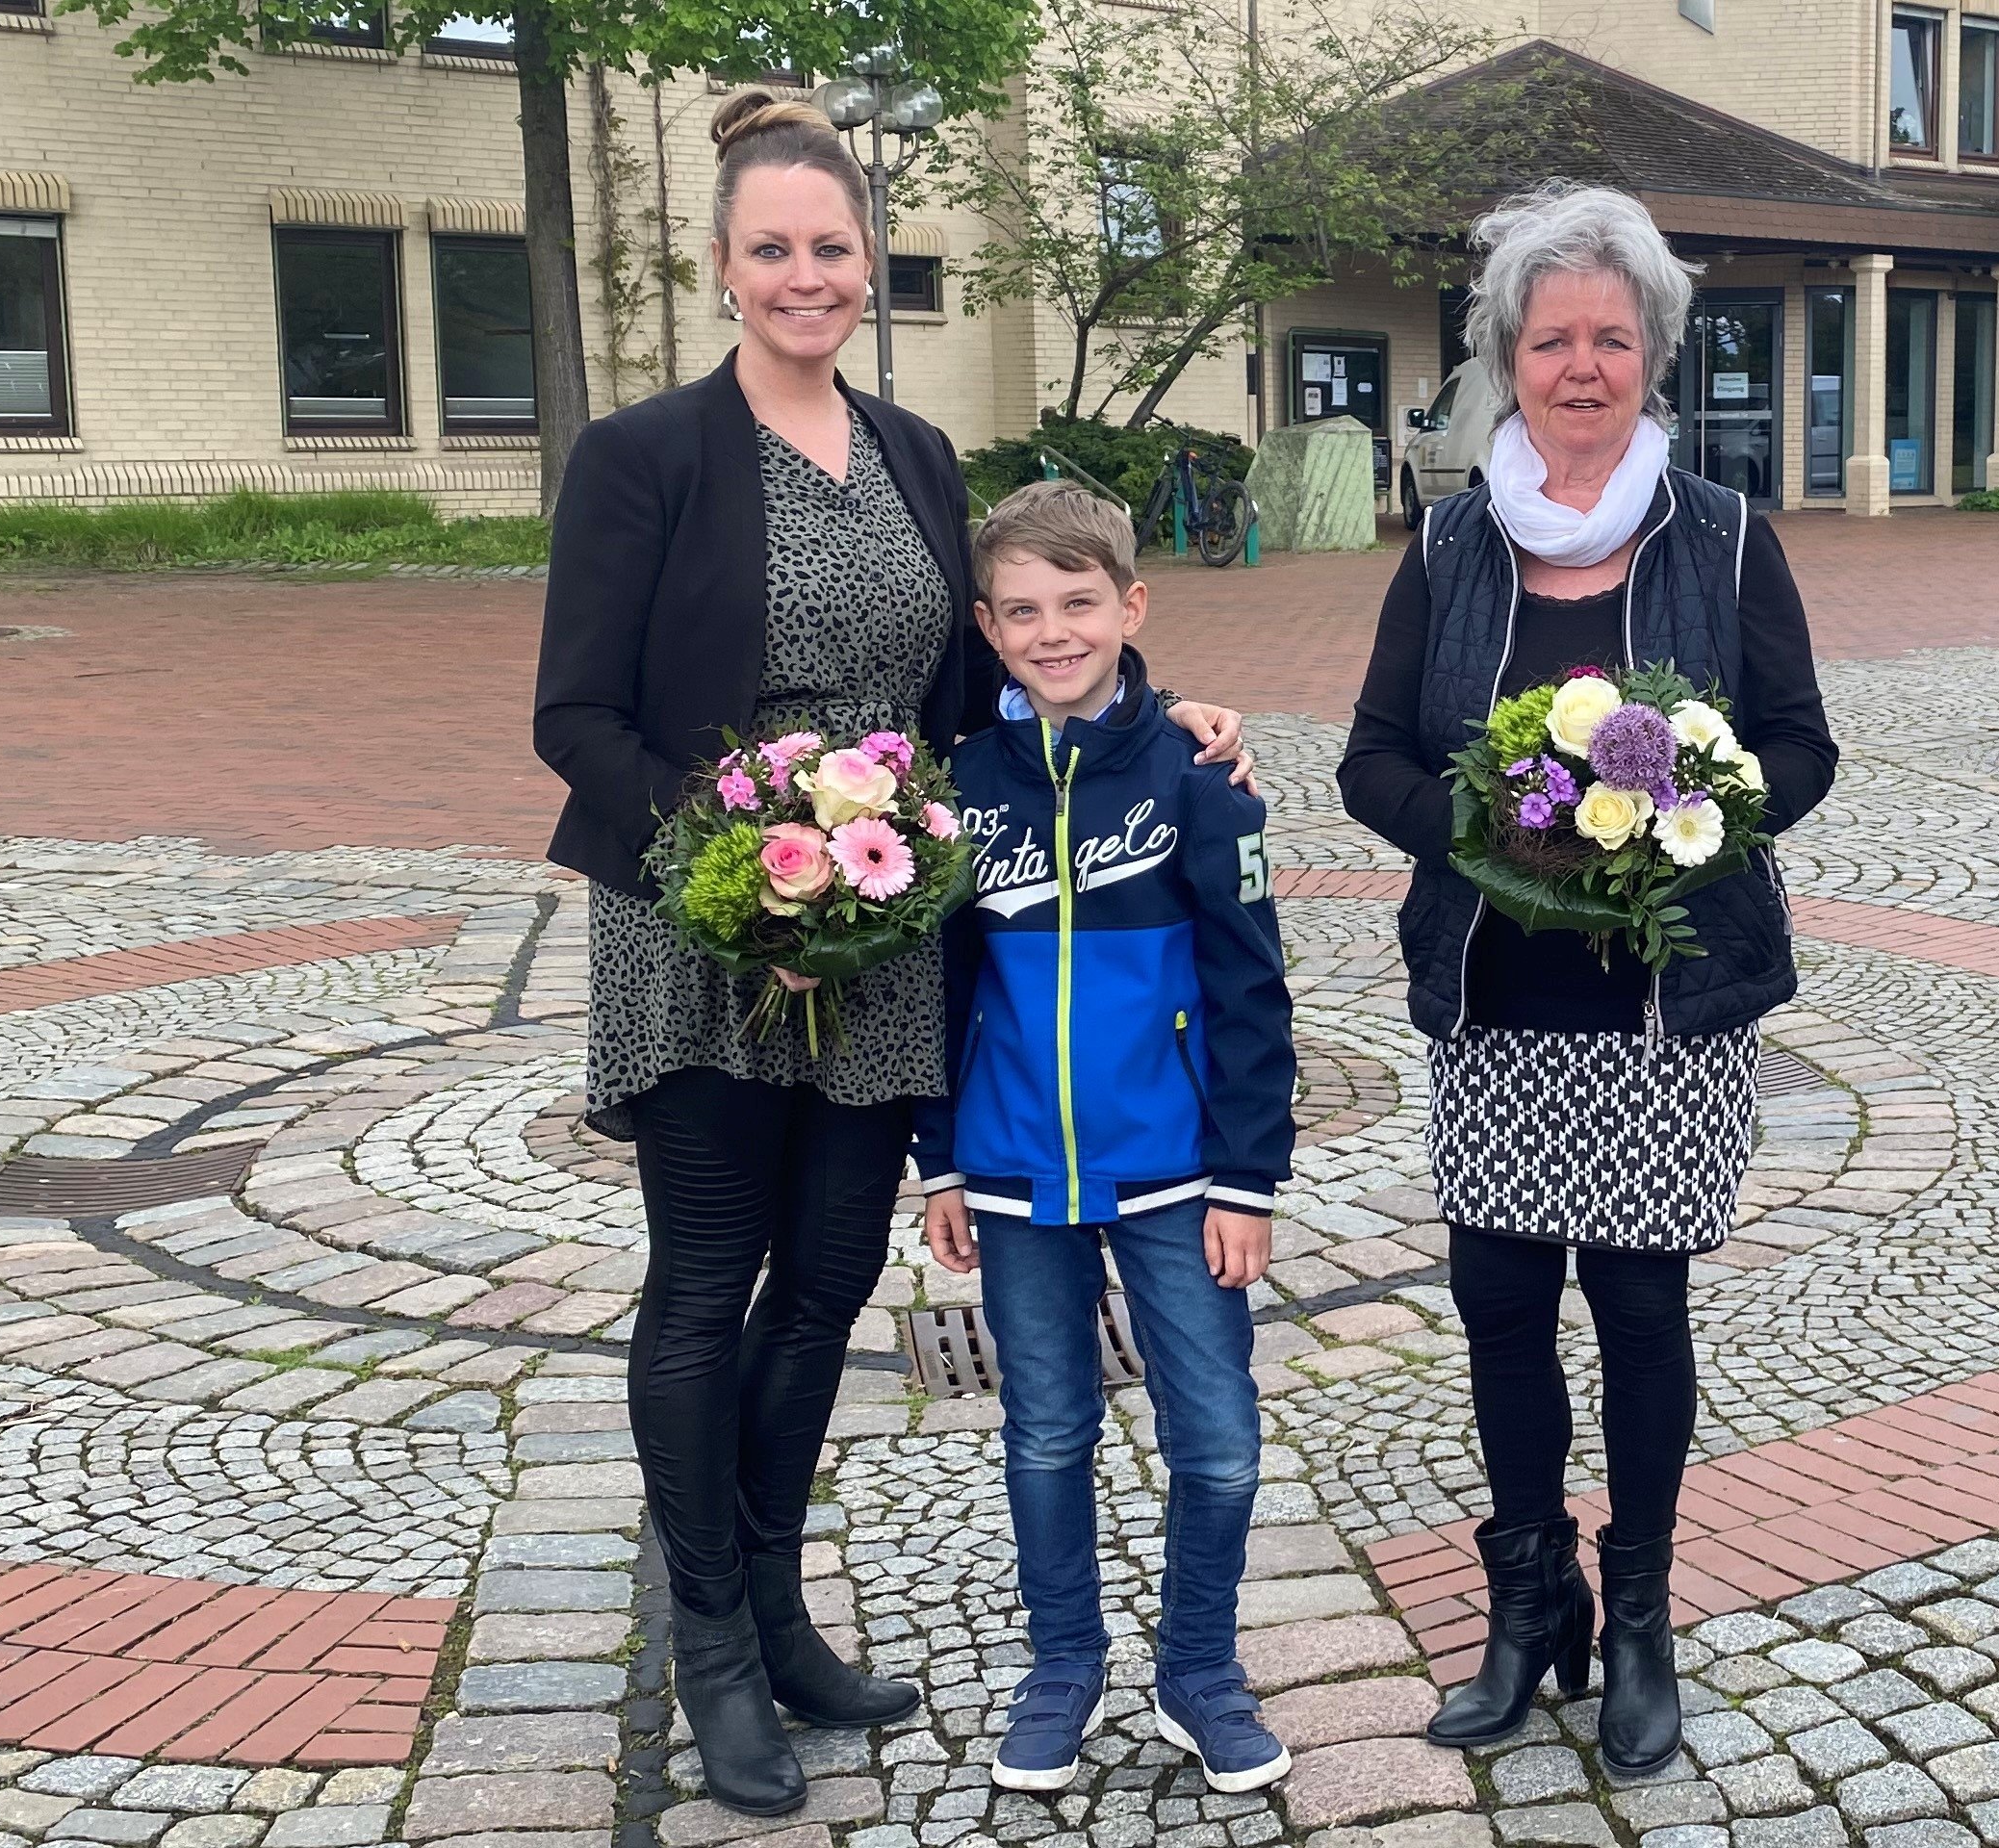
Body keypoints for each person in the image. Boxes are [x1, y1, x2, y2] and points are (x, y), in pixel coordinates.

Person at [530, 94, 1248, 1817]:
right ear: (721, 266)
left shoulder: (917, 454)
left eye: (833, 248)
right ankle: (713, 1643)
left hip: (877, 926)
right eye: (771, 249)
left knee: (829, 1282)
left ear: (868, 264)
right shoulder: (645, 456)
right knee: (709, 1283)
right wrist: (739, 883)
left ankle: (781, 1610)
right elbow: (578, 719)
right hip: (704, 935)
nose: (806, 275)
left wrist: (1158, 719)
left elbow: (988, 675)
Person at [1337, 181, 1839, 1780]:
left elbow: (1801, 746)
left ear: (1654, 356)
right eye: (1551, 340)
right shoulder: (1454, 545)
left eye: (1611, 339)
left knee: (1636, 1311)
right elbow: (1369, 759)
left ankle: (1639, 1624)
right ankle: (1526, 1600)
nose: (1581, 367)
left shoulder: (1725, 538)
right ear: (1508, 357)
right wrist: (1495, 837)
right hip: (1497, 1000)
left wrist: (1697, 817)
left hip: (1662, 1008)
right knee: (1498, 1308)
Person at [912, 480, 1301, 1798]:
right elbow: (937, 987)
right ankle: (1062, 1668)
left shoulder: (1199, 777)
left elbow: (1251, 988)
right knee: (1044, 1434)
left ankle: (1199, 1670)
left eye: (1078, 603)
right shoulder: (959, 789)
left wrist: (1248, 1177)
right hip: (1012, 1168)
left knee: (1219, 1441)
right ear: (987, 625)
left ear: (1131, 606)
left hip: (1181, 1174)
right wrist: (941, 1158)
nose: (1053, 632)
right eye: (1022, 611)